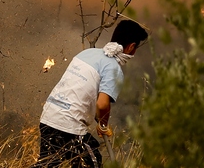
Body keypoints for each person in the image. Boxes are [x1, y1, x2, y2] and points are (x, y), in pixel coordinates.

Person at [32, 19, 148, 168]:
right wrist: (103, 124)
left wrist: (98, 118)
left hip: (49, 118)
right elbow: (102, 103)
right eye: (136, 48)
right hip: (69, 127)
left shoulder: (87, 53)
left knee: (48, 164)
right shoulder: (113, 69)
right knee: (93, 163)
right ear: (131, 47)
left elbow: (83, 93)